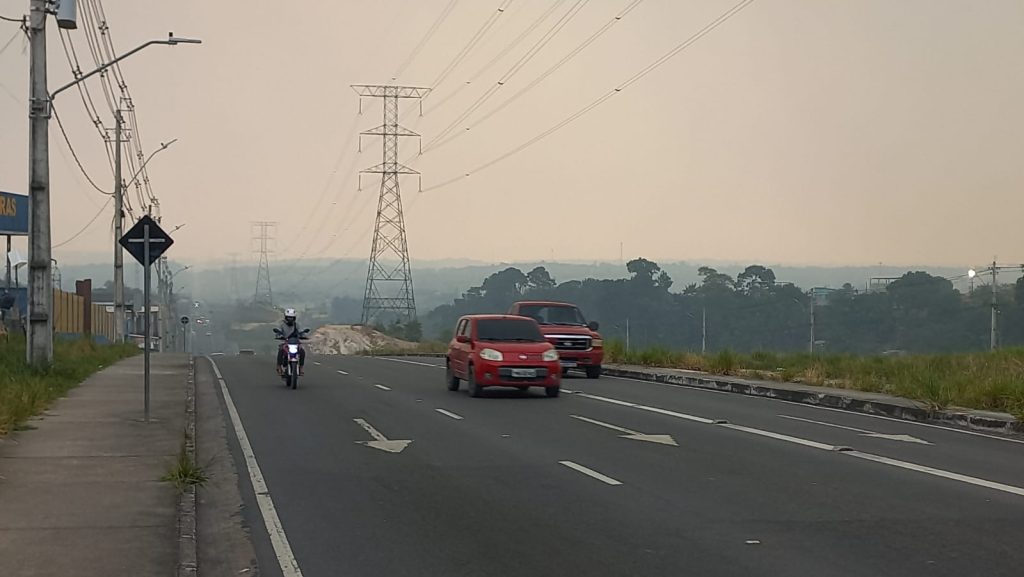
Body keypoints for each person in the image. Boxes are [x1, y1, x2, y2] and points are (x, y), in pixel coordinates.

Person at [275, 308, 306, 375]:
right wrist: (279, 335)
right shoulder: (282, 325)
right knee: (280, 350)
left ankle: (301, 367)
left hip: (295, 342)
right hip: (285, 343)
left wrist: (303, 335)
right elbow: (278, 332)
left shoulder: (296, 325)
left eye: (291, 318)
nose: (290, 319)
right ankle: (279, 366)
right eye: (289, 317)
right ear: (286, 317)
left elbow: (301, 332)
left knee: (302, 351)